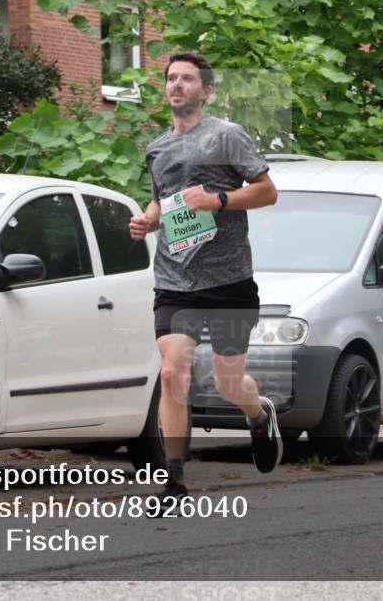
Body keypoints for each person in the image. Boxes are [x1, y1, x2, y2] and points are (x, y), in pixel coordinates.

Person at [128, 52, 282, 511]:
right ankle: (173, 483)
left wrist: (217, 198)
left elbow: (267, 192)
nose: (176, 84)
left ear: (206, 90)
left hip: (229, 279)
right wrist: (148, 221)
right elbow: (162, 202)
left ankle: (259, 415)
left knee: (228, 384)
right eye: (171, 78)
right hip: (175, 279)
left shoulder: (227, 136)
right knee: (173, 372)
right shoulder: (158, 147)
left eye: (187, 78)